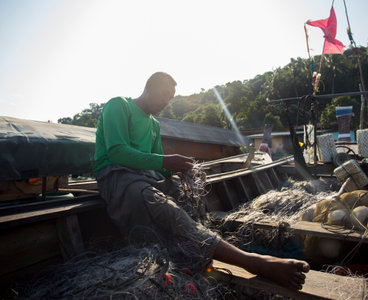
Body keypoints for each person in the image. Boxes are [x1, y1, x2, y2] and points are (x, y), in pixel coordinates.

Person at [94, 72, 309, 290]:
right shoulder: (118, 105)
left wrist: (182, 171)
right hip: (117, 177)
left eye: (171, 97)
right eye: (165, 94)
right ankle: (253, 262)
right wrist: (167, 161)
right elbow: (117, 152)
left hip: (146, 178)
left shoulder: (153, 125)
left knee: (187, 199)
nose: (167, 101)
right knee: (168, 210)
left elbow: (158, 166)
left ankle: (199, 250)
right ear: (149, 87)